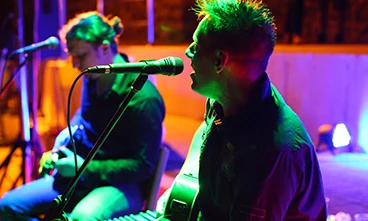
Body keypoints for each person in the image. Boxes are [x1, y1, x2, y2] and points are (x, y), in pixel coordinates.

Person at [158, 0, 328, 220]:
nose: (188, 52)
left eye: (197, 45)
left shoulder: (273, 152)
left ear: (220, 61)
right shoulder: (223, 103)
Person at [0, 11, 165, 221]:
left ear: (105, 48)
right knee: (7, 206)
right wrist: (62, 143)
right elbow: (83, 117)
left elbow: (142, 167)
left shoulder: (144, 99)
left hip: (121, 185)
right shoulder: (94, 77)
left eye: (80, 56)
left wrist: (83, 168)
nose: (75, 64)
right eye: (72, 56)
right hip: (81, 175)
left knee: (81, 218)